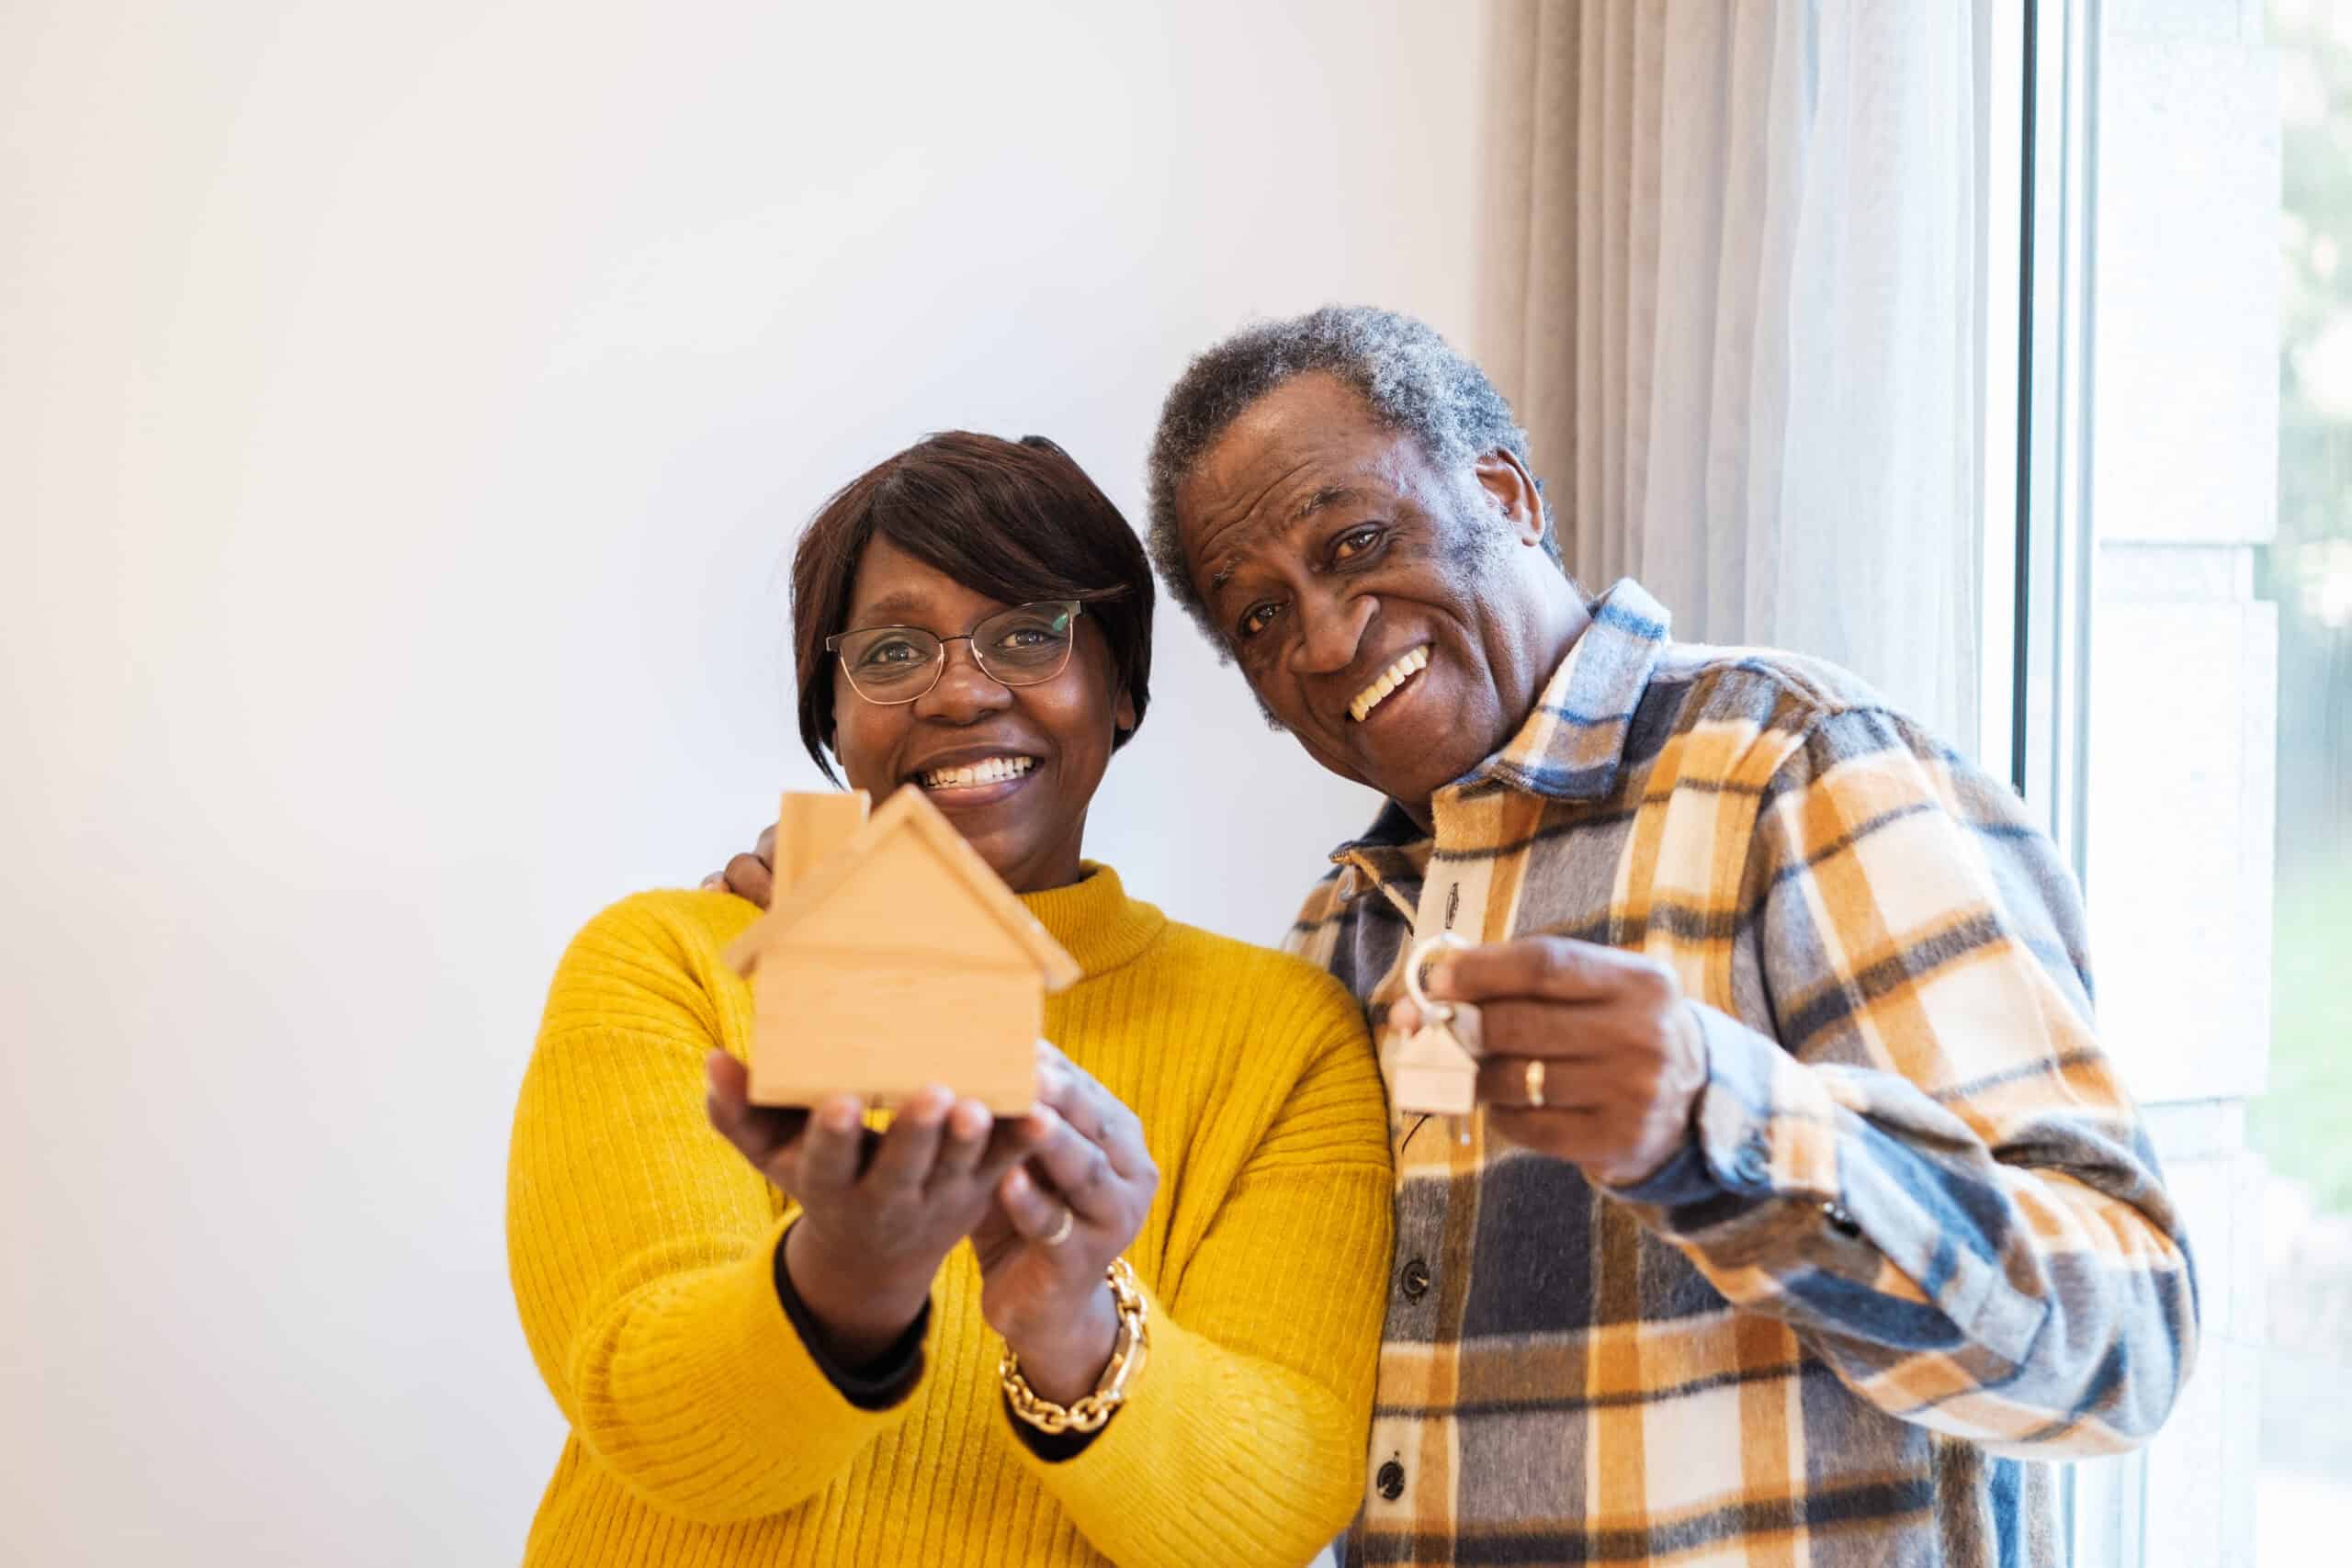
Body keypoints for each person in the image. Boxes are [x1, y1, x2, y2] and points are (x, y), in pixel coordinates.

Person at [725, 307, 2198, 1567]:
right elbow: (1255, 1424)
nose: (1321, 637)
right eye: (1255, 616)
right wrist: (866, 950)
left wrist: (1720, 1116)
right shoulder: (1340, 942)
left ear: (1501, 486)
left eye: (1355, 539)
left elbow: (2123, 1338)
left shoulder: (1794, 768)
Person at [509, 431, 1395, 1567]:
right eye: (891, 651)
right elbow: (663, 1430)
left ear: (1120, 687)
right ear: (831, 716)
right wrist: (850, 1274)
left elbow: (1271, 1509)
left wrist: (1071, 1321)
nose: (964, 690)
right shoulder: (670, 963)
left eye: (1030, 634)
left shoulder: (1285, 1035)